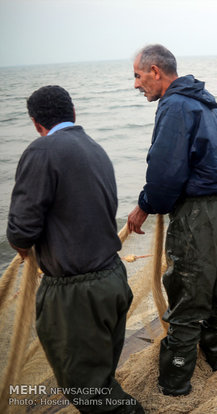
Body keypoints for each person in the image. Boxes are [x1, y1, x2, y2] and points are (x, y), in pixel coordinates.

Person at [6, 85, 143, 413]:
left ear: (37, 124)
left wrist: (22, 245)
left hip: (76, 294)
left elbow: (21, 231)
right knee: (102, 375)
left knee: (87, 390)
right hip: (112, 279)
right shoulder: (95, 148)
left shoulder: (42, 150)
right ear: (74, 114)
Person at [127, 44, 217, 396]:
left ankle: (174, 388)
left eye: (137, 75)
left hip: (201, 215)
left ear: (155, 71)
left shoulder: (175, 105)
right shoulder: (203, 101)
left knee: (186, 300)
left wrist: (146, 205)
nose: (136, 84)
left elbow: (165, 173)